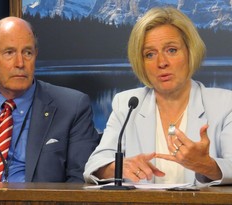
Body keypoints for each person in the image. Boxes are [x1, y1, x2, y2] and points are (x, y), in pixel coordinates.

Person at [84, 7, 232, 185]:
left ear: (190, 52)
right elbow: (94, 165)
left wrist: (206, 166)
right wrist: (118, 167)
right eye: (150, 54)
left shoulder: (224, 104)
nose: (161, 63)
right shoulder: (128, 104)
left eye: (171, 50)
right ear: (141, 62)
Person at [0, 17, 99, 183]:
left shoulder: (72, 107)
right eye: (9, 53)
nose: (20, 63)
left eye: (27, 53)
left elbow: (79, 182)